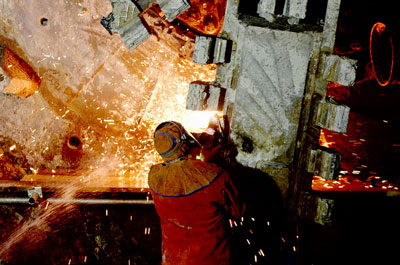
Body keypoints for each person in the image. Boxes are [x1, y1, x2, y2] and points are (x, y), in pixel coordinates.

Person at [148, 121, 244, 265]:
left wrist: (203, 163)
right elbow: (238, 211)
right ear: (185, 142)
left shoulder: (154, 177)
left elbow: (181, 173)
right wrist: (217, 164)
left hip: (173, 260)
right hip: (212, 259)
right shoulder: (214, 175)